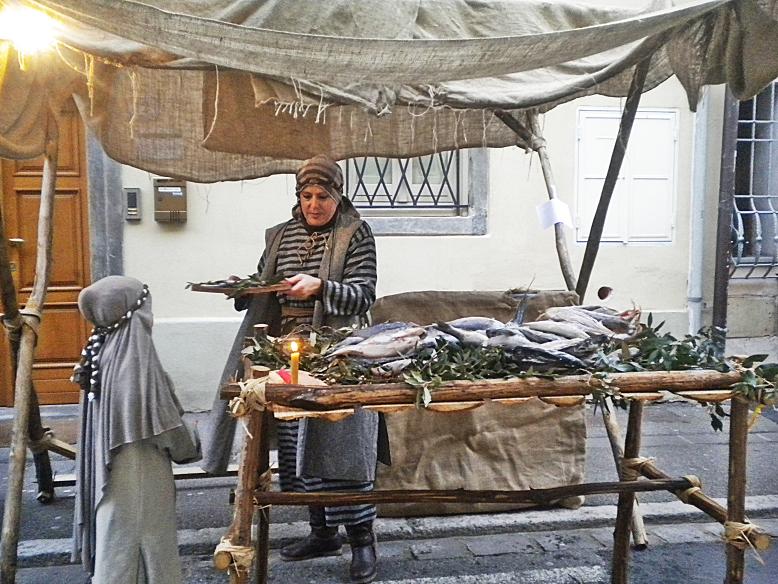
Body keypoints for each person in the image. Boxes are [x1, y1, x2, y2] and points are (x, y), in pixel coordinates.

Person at [203, 154, 388, 584]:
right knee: (295, 447)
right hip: (287, 356)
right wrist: (245, 289)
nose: (314, 204)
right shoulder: (280, 235)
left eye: (323, 196)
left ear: (338, 196)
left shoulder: (356, 234)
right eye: (306, 196)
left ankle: (362, 540)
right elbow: (265, 280)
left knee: (342, 449)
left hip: (340, 355)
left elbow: (364, 294)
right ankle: (321, 532)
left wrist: (321, 287)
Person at [72, 276, 201, 584]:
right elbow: (165, 427)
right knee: (144, 543)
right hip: (141, 471)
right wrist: (193, 442)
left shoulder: (102, 350)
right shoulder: (137, 361)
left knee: (116, 535)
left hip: (113, 476)